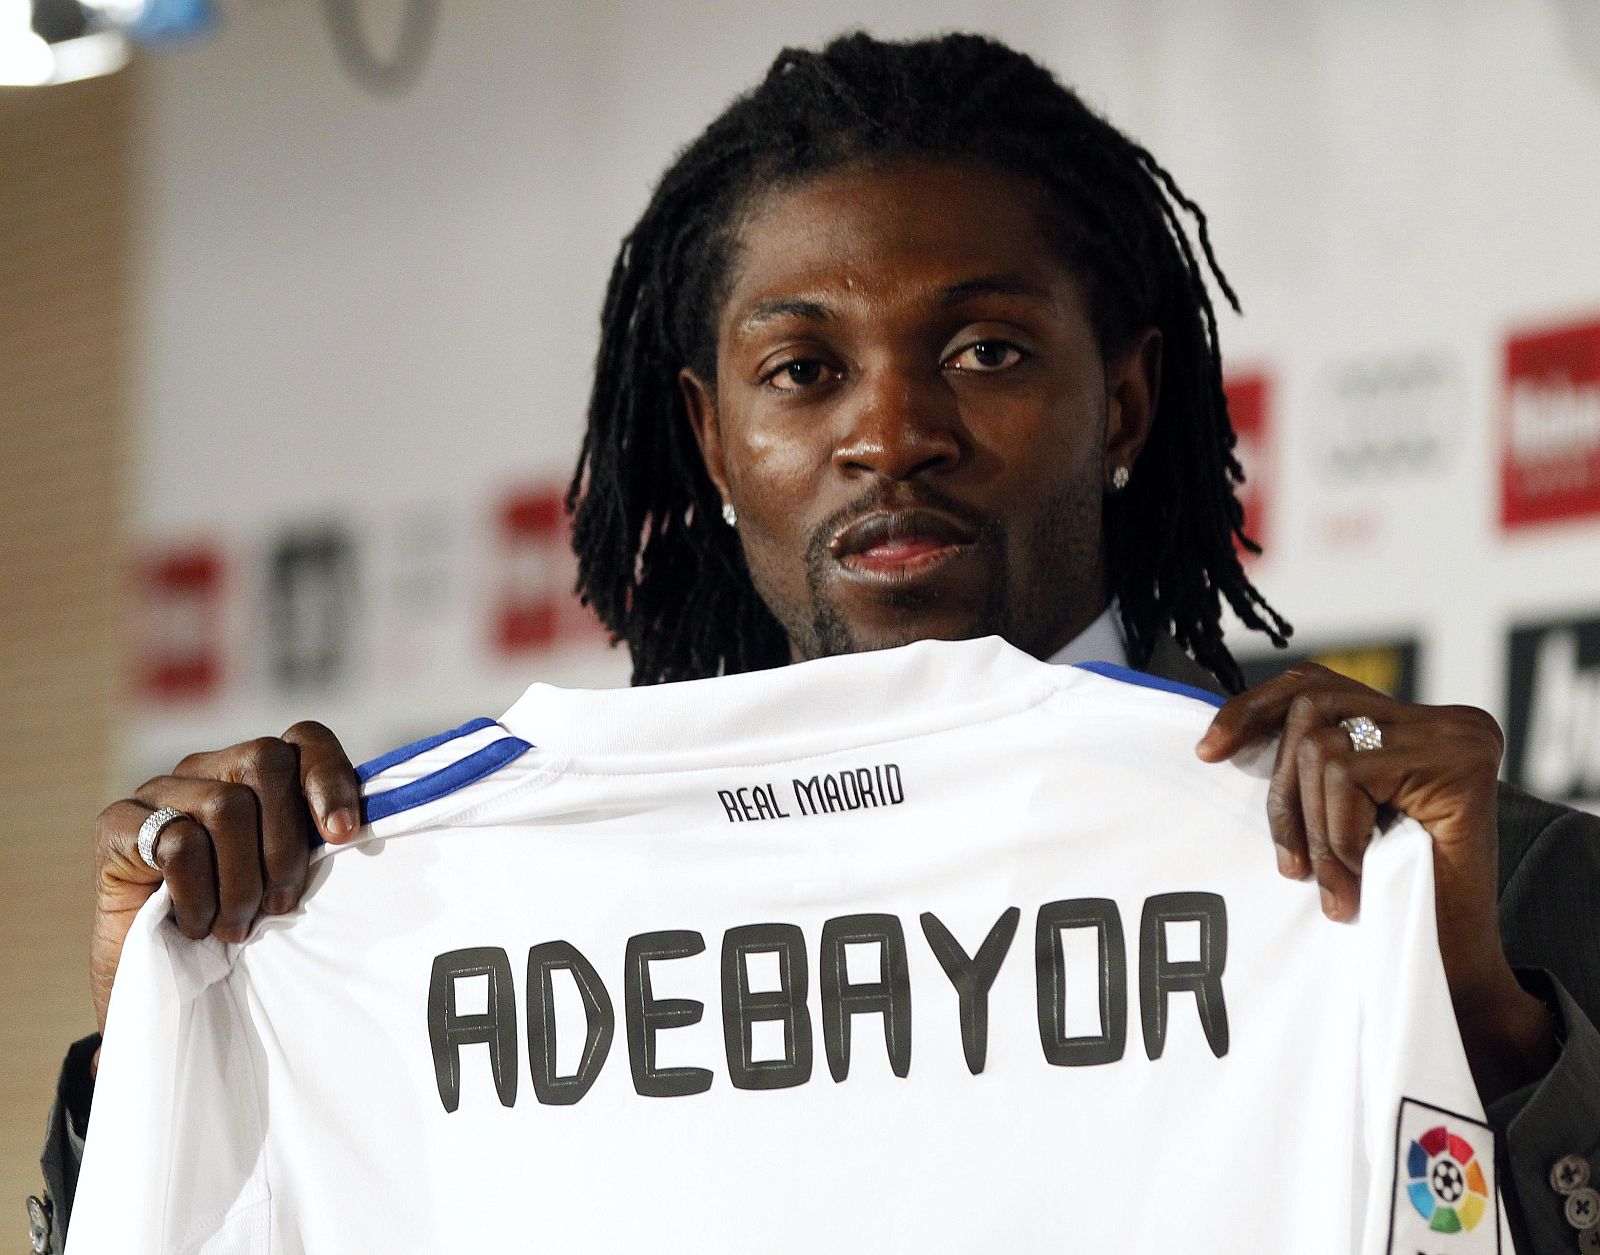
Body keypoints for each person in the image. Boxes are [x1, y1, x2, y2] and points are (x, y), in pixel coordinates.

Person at [33, 31, 1599, 1255]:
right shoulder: (413, 911)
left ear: (1121, 402)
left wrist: (1478, 1023)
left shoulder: (1478, 881)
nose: (892, 435)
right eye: (803, 371)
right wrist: (184, 1047)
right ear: (713, 445)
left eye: (985, 350)